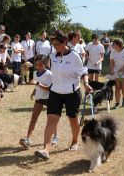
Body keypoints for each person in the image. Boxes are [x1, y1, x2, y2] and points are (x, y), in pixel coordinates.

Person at [34, 30, 92, 160]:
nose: (55, 47)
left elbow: (83, 72)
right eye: (53, 45)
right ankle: (46, 149)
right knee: (51, 120)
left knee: (72, 119)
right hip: (55, 92)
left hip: (72, 93)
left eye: (57, 44)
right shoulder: (53, 56)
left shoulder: (74, 56)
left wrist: (86, 84)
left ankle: (75, 141)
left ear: (65, 42)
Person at [19, 55, 59, 149]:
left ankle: (55, 137)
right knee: (33, 119)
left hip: (49, 98)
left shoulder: (49, 74)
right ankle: (28, 139)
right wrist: (34, 91)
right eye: (37, 64)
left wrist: (37, 84)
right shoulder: (36, 73)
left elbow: (49, 88)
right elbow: (37, 85)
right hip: (39, 98)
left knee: (51, 120)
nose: (38, 66)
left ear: (45, 64)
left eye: (40, 64)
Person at [110, 38, 124, 109]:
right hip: (117, 71)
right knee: (117, 88)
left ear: (117, 45)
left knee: (123, 88)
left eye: (113, 44)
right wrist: (112, 70)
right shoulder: (113, 52)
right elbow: (111, 62)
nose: (112, 45)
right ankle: (117, 103)